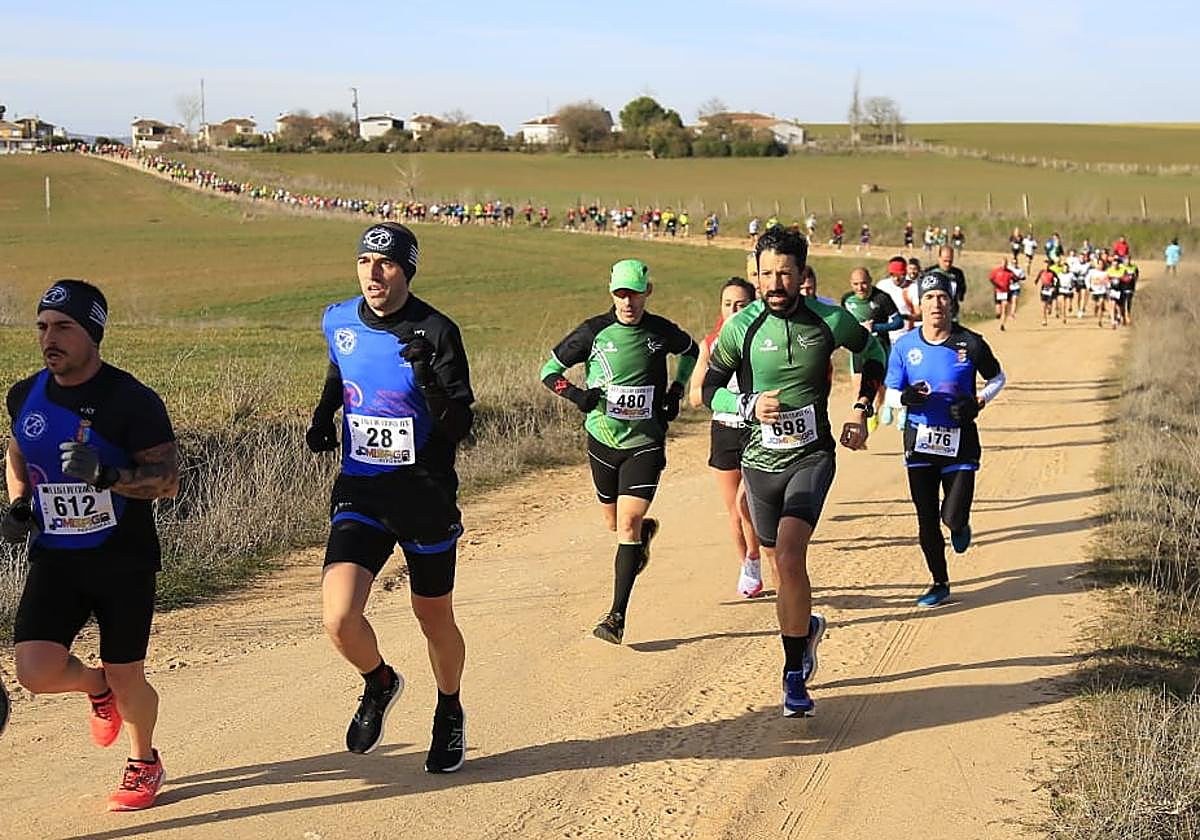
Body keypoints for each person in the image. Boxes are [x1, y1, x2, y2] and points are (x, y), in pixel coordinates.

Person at [4, 279, 179, 810]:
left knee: (131, 676)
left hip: (121, 558)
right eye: (42, 327)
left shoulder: (130, 400)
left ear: (93, 333)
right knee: (34, 672)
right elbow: (18, 451)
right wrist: (17, 505)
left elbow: (166, 480)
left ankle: (144, 760)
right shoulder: (24, 394)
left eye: (63, 327)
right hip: (56, 556)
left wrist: (107, 474)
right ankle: (94, 688)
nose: (49, 338)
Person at [306, 222, 473, 773]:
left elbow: (459, 427)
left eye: (386, 263)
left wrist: (427, 376)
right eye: (364, 262)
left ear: (407, 269)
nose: (373, 274)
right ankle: (379, 681)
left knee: (434, 617)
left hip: (423, 494)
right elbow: (340, 366)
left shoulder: (438, 330)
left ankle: (449, 708)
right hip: (362, 487)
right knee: (338, 616)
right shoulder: (338, 319)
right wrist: (323, 414)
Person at [701, 226, 886, 717]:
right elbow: (708, 391)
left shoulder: (829, 319)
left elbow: (871, 353)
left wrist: (862, 408)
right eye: (766, 274)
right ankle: (806, 635)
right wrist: (746, 404)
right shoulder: (741, 328)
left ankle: (791, 677)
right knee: (772, 553)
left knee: (787, 557)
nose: (775, 283)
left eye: (785, 273)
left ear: (802, 274)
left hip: (812, 456)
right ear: (755, 276)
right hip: (759, 461)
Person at [540, 259, 698, 644]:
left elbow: (691, 351)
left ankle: (616, 617)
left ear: (648, 292)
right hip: (602, 441)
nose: (628, 301)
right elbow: (549, 371)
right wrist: (577, 395)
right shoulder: (594, 332)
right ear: (612, 293)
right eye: (621, 294)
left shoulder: (659, 332)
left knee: (625, 524)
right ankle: (640, 538)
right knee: (614, 524)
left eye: (635, 293)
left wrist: (676, 389)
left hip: (644, 442)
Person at [884, 272, 1006, 606]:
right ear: (919, 304)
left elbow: (998, 377)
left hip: (960, 442)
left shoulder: (970, 342)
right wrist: (905, 398)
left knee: (950, 517)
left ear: (951, 303)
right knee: (926, 518)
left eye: (942, 298)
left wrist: (977, 401)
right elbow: (891, 394)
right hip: (919, 441)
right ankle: (939, 583)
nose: (936, 304)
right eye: (929, 298)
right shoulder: (905, 346)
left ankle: (960, 523)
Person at [689, 275, 763, 598]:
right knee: (733, 513)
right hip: (723, 430)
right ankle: (748, 563)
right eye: (728, 304)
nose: (734, 310)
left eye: (741, 304)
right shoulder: (710, 344)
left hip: (757, 430)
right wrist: (720, 397)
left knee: (745, 504)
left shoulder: (764, 341)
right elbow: (695, 394)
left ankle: (760, 555)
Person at [841, 267, 903, 430]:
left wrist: (875, 327)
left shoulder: (882, 298)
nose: (860, 288)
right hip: (859, 349)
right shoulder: (847, 300)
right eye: (856, 284)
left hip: (880, 348)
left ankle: (875, 411)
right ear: (851, 284)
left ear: (870, 281)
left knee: (880, 387)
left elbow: (899, 322)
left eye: (863, 283)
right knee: (857, 387)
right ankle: (858, 423)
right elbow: (842, 321)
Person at [987, 258, 1014, 331]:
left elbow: (1014, 278)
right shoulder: (996, 271)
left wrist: (1016, 279)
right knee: (998, 310)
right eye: (1003, 263)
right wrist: (996, 285)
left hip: (1006, 292)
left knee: (1004, 307)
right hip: (998, 291)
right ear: (1001, 263)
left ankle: (1002, 324)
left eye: (1005, 264)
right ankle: (998, 314)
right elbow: (991, 278)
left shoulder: (1009, 272)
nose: (1004, 265)